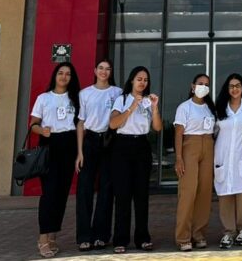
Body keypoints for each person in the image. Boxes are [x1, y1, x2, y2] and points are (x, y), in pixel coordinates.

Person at [30, 62, 81, 258]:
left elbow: (79, 126)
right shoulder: (44, 98)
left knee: (61, 194)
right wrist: (41, 130)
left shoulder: (75, 99)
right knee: (49, 193)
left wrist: (78, 153)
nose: (64, 77)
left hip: (68, 144)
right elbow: (33, 123)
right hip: (50, 144)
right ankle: (43, 238)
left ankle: (53, 236)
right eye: (61, 73)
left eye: (68, 74)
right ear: (55, 75)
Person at [109, 65, 161, 253]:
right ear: (132, 80)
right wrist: (131, 107)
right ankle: (120, 239)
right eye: (139, 79)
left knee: (141, 195)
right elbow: (113, 124)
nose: (142, 82)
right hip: (122, 146)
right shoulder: (121, 99)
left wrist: (154, 108)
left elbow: (157, 127)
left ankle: (142, 238)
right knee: (122, 195)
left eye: (145, 80)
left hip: (141, 146)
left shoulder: (148, 102)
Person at [75, 59, 122, 251]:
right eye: (100, 68)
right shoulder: (85, 93)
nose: (104, 72)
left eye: (108, 69)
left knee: (106, 189)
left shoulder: (117, 92)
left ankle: (101, 235)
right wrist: (79, 152)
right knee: (85, 189)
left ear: (111, 72)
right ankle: (84, 236)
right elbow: (81, 123)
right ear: (95, 71)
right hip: (90, 141)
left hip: (109, 141)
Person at [213, 73, 242, 249]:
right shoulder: (220, 108)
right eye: (231, 86)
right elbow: (213, 133)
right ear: (227, 89)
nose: (235, 89)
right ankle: (228, 232)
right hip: (223, 158)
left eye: (238, 85)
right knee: (225, 197)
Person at [173, 72, 215, 252]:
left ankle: (198, 234)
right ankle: (183, 237)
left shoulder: (210, 108)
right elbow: (178, 133)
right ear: (192, 86)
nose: (203, 86)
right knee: (188, 192)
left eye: (206, 84)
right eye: (200, 83)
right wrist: (179, 157)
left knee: (204, 192)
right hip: (190, 146)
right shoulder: (184, 107)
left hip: (208, 146)